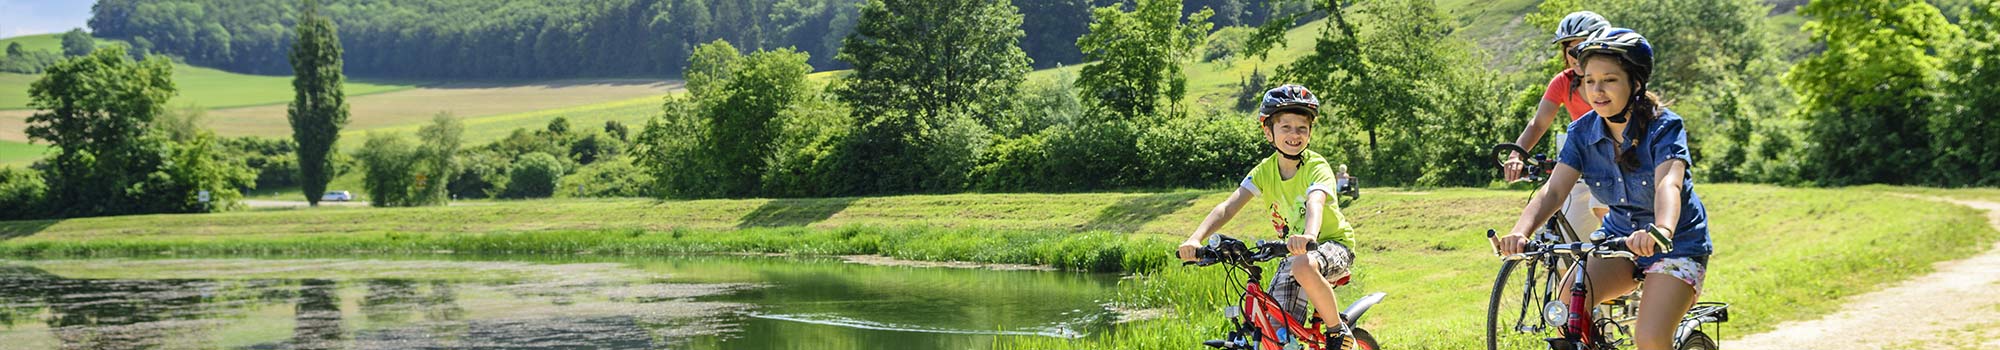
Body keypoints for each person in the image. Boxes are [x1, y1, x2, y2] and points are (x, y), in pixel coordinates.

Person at [1492, 28, 1714, 350]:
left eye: (1609, 80)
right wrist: (1521, 231)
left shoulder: (1664, 126)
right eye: (1589, 80)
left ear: (1635, 83)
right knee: (1565, 319)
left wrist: (1660, 229)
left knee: (1650, 338)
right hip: (1618, 239)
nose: (1597, 90)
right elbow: (1553, 192)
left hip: (1675, 245)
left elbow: (1669, 182)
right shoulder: (1581, 132)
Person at [1178, 84, 1359, 341]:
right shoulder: (1264, 171)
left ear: (1309, 133)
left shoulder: (1316, 166)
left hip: (1332, 246)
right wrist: (1195, 239)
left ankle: (1337, 333)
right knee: (1276, 331)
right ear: (1268, 132)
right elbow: (1228, 207)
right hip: (1293, 255)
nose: (1294, 134)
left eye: (1301, 128)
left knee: (1304, 265)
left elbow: (1315, 203)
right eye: (1285, 127)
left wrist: (1308, 235)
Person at [1505, 11, 1614, 237]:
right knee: (1563, 240)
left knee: (1608, 223)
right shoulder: (1563, 82)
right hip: (1582, 164)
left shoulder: (1617, 81)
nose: (1574, 55)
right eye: (1568, 48)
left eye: (1580, 47)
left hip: (1615, 165)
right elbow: (1538, 123)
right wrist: (1517, 154)